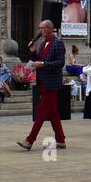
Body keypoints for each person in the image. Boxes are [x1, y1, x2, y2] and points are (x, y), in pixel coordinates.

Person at [18, 20, 66, 151]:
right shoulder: (43, 43)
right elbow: (37, 60)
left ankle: (30, 140)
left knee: (41, 111)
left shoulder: (58, 43)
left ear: (50, 29)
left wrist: (43, 64)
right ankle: (61, 140)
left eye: (43, 28)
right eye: (39, 28)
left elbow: (60, 63)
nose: (40, 31)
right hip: (42, 82)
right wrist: (33, 51)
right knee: (53, 112)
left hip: (51, 83)